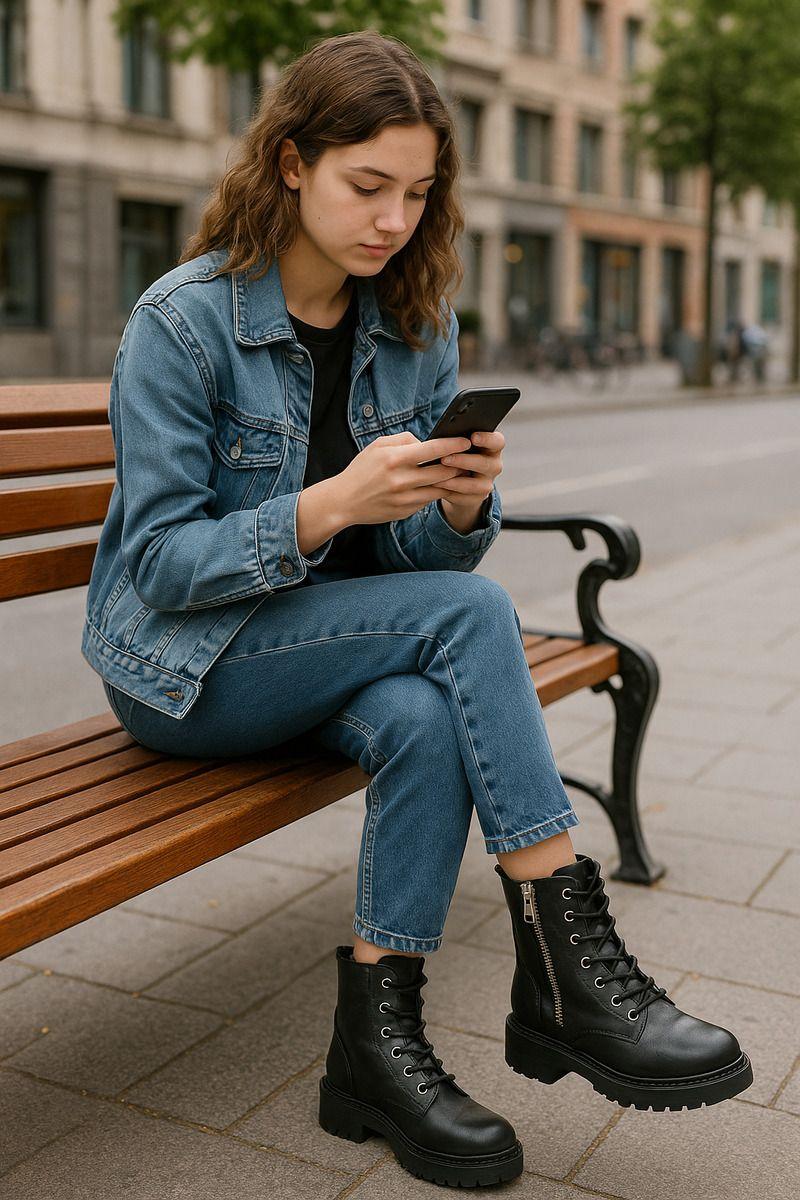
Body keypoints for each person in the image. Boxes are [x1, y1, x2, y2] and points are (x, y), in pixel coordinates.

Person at [81, 30, 752, 1190]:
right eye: (366, 186)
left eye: (416, 192)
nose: (392, 219)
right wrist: (328, 504)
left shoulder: (414, 323)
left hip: (333, 650)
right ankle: (567, 967)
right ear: (291, 163)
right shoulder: (181, 324)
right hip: (187, 669)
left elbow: (409, 560)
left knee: (427, 714)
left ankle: (374, 1051)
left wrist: (457, 507)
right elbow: (157, 565)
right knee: (469, 617)